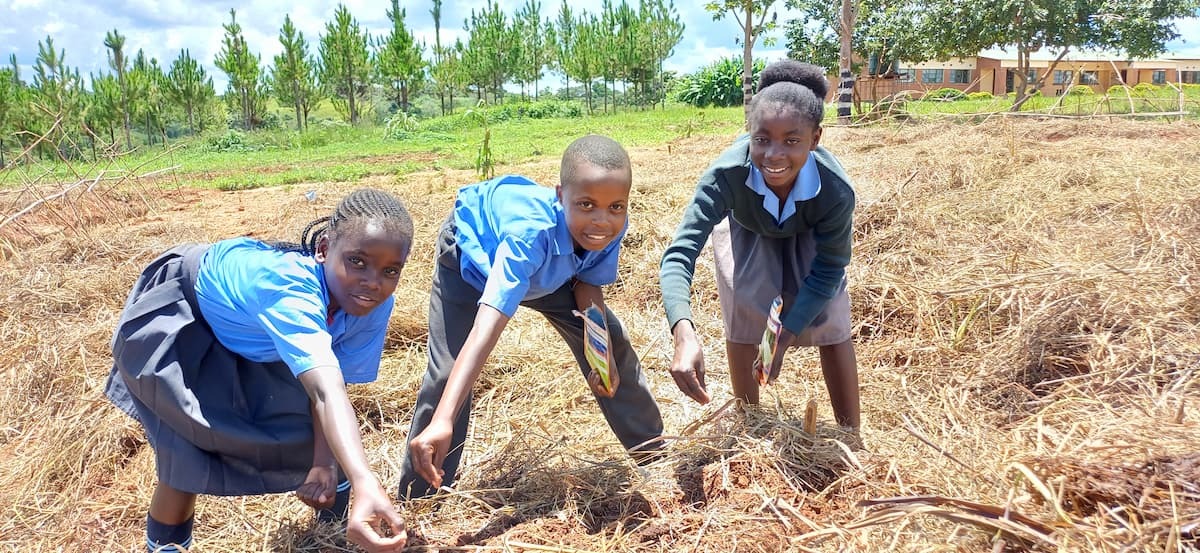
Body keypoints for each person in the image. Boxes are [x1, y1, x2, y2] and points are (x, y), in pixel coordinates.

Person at [105, 189, 413, 553]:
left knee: (314, 433)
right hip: (189, 317)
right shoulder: (287, 290)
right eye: (357, 261)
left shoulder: (371, 302)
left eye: (389, 270)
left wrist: (323, 463)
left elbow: (334, 387)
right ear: (324, 248)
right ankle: (166, 547)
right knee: (186, 451)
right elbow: (325, 393)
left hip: (254, 333)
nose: (373, 281)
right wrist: (366, 478)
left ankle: (339, 528)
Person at [398, 135, 664, 498]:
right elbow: (486, 327)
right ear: (560, 195)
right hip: (472, 260)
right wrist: (443, 417)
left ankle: (655, 459)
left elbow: (587, 282)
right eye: (586, 204)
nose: (602, 220)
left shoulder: (607, 226)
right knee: (449, 373)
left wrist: (599, 357)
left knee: (609, 340)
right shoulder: (529, 236)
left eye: (616, 206)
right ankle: (421, 495)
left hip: (553, 269)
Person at [659, 60, 862, 429]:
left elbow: (830, 268)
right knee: (746, 305)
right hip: (749, 223)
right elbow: (680, 254)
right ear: (749, 132)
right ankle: (749, 423)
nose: (774, 155)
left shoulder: (834, 190)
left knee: (829, 315)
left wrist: (787, 334)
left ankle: (851, 433)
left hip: (809, 226)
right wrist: (682, 332)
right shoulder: (726, 177)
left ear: (816, 139)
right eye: (762, 139)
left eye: (792, 140)